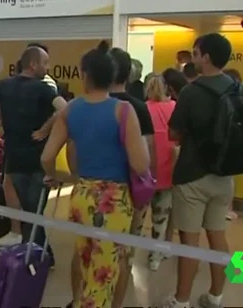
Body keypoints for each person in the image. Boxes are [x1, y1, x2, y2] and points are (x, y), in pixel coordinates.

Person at [40, 43, 149, 308]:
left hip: (82, 195)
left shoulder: (70, 109)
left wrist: (55, 175)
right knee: (105, 271)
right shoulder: (123, 111)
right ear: (113, 77)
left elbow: (46, 157)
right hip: (114, 200)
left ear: (84, 74)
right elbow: (141, 163)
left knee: (86, 260)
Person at [0, 46, 68, 265]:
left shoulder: (3, 86)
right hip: (37, 159)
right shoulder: (43, 89)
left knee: (31, 211)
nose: (48, 67)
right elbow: (65, 108)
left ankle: (40, 254)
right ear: (33, 64)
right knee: (34, 212)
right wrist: (46, 128)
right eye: (45, 63)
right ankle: (39, 256)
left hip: (14, 159)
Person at [164, 33, 235, 308]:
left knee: (188, 242)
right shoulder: (235, 88)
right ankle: (216, 296)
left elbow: (173, 131)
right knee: (218, 236)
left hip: (193, 175)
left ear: (206, 58)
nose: (192, 59)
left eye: (195, 53)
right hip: (224, 175)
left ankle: (180, 300)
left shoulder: (192, 91)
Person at [106, 44, 156, 307]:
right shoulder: (137, 107)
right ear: (129, 76)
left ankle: (84, 299)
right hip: (132, 189)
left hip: (95, 188)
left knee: (89, 249)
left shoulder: (86, 105)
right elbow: (148, 153)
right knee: (124, 253)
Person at [142, 75, 177, 272]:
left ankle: (130, 255)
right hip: (168, 167)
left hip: (146, 169)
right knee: (161, 218)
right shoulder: (173, 107)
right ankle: (155, 256)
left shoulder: (141, 107)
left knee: (139, 217)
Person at [222, 68, 243, 221]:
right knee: (229, 177)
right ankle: (228, 208)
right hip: (236, 141)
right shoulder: (242, 96)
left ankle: (227, 208)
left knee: (226, 178)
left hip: (227, 140)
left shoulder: (226, 96)